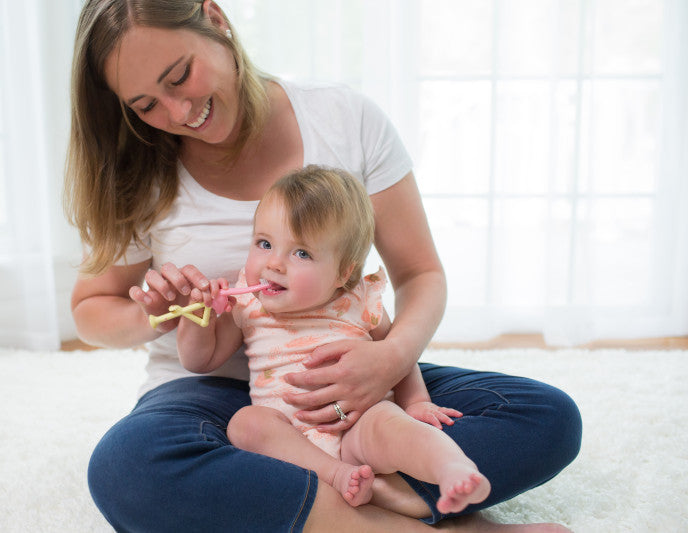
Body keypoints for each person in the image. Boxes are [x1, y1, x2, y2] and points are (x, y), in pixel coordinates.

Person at [65, 0, 582, 531]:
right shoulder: (137, 168)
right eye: (147, 104)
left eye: (180, 76)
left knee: (546, 418)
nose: (177, 113)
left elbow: (419, 273)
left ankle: (334, 506)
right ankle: (407, 516)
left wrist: (390, 359)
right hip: (213, 401)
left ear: (216, 20)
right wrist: (164, 313)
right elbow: (90, 310)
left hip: (357, 383)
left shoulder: (344, 118)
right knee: (127, 468)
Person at [175, 165, 491, 514]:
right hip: (288, 436)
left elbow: (397, 354)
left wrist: (416, 401)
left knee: (394, 425)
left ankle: (451, 469)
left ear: (343, 272)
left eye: (302, 253)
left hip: (359, 423)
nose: (274, 264)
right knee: (245, 424)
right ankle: (338, 475)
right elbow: (200, 360)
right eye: (264, 243)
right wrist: (197, 316)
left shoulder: (358, 298)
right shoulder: (247, 303)